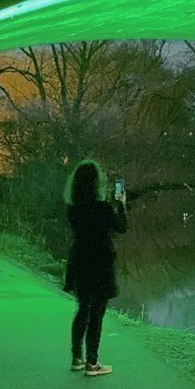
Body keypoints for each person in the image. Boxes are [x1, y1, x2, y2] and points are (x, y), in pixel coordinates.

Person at [63, 159, 127, 377]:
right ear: (96, 183)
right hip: (100, 263)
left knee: (82, 309)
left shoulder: (73, 209)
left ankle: (77, 358)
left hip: (80, 262)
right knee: (97, 313)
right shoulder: (103, 208)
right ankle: (93, 362)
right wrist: (121, 204)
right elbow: (122, 227)